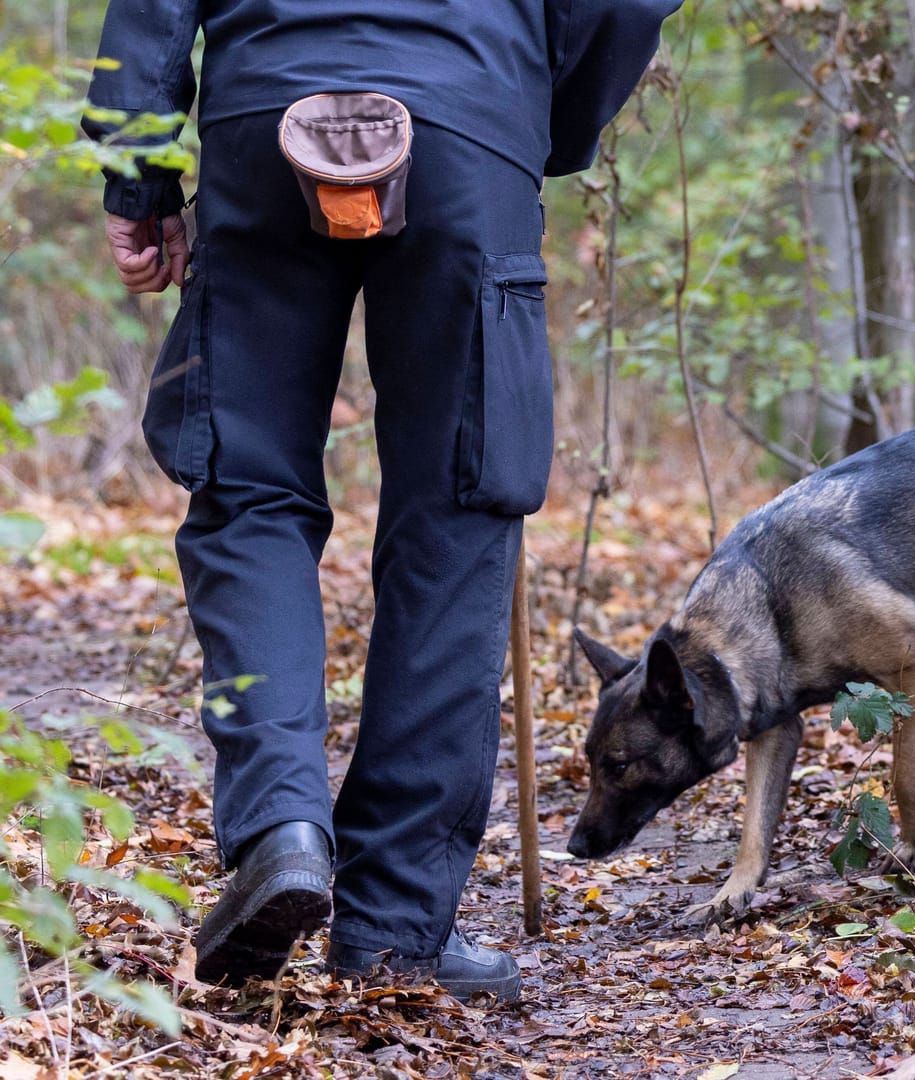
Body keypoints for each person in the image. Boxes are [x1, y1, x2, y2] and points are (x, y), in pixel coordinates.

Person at [85, 0, 680, 1003]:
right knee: (456, 516)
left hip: (263, 117)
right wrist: (539, 123)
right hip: (470, 116)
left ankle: (281, 827)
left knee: (248, 493)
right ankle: (392, 929)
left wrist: (137, 176)